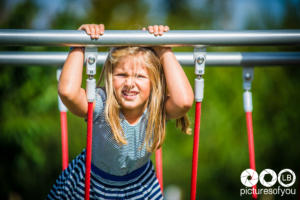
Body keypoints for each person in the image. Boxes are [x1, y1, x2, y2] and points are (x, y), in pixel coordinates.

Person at [48, 24, 194, 200]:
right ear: (110, 75)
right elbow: (68, 92)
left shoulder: (154, 108)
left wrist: (163, 50)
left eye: (140, 76)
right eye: (122, 75)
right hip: (90, 182)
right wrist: (79, 44)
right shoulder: (102, 103)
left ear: (154, 82)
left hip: (140, 185)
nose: (130, 83)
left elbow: (184, 100)